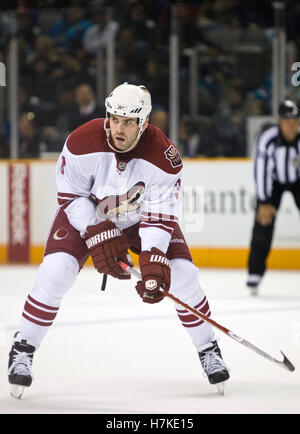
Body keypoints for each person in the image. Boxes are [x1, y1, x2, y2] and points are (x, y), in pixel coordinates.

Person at [8, 83, 229, 398]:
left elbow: (160, 215)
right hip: (87, 214)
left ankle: (208, 347)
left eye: (128, 121)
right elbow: (71, 196)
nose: (118, 128)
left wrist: (153, 258)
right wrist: (97, 230)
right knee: (55, 272)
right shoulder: (82, 141)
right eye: (114, 118)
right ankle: (23, 348)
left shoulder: (163, 156)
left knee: (183, 277)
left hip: (142, 221)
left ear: (144, 123)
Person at [247, 99, 300, 295]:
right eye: (287, 121)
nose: (291, 125)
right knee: (263, 221)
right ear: (279, 121)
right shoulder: (267, 138)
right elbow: (261, 171)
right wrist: (263, 201)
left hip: (298, 180)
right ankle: (255, 273)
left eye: (295, 121)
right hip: (274, 182)